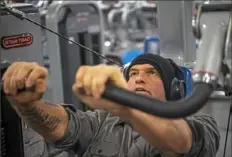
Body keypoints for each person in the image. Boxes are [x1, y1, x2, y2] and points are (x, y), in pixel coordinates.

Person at [2, 53, 220, 157]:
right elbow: (59, 126)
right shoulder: (102, 121)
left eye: (151, 73)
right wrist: (28, 105)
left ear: (174, 89)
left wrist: (127, 106)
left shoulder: (201, 124)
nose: (139, 78)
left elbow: (179, 142)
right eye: (133, 74)